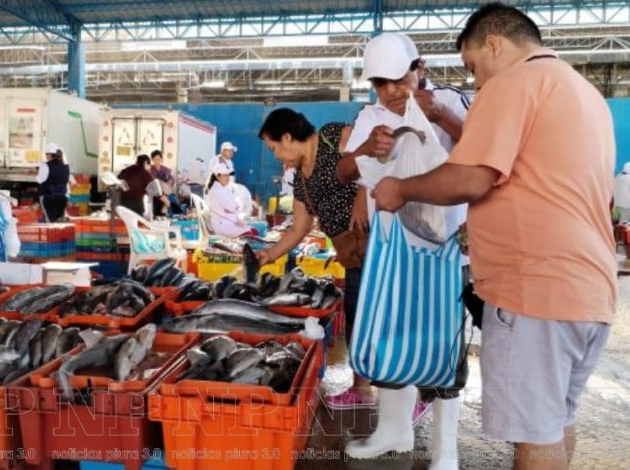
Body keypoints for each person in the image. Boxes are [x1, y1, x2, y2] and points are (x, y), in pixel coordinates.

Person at [371, 4, 616, 469]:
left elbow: (471, 178)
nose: (478, 82)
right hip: (588, 290)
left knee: (534, 438)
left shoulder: (513, 83)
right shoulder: (581, 92)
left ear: (495, 44)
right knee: (555, 424)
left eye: (474, 67)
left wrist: (400, 189)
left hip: (535, 291)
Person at [337, 33, 470, 469]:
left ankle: (444, 452)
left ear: (420, 68)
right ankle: (393, 431)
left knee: (443, 345)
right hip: (392, 249)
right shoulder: (370, 115)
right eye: (380, 83)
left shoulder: (450, 100)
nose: (392, 92)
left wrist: (442, 115)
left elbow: (484, 152)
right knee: (394, 334)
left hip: (447, 248)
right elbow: (341, 171)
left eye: (399, 79)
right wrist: (362, 150)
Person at [254, 108, 369, 407]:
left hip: (378, 238)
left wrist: (363, 197)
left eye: (274, 147)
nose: (277, 155)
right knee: (358, 315)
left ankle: (413, 390)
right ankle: (362, 388)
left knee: (388, 315)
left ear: (288, 137)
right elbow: (299, 228)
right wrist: (267, 255)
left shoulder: (332, 136)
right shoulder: (300, 180)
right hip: (352, 251)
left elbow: (375, 153)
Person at [206, 164, 257, 237]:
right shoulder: (217, 190)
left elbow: (237, 205)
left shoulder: (225, 188)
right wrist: (234, 207)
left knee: (255, 231)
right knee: (250, 234)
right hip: (222, 224)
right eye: (225, 175)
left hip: (230, 222)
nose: (228, 178)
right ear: (217, 176)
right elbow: (232, 207)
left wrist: (234, 207)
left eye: (228, 175)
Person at [36, 143, 70, 222]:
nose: (46, 156)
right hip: (62, 198)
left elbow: (40, 180)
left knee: (50, 222)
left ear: (50, 155)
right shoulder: (66, 166)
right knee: (59, 221)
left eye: (47, 154)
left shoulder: (45, 166)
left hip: (49, 198)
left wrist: (37, 174)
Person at [149, 150, 173, 218]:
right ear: (152, 160)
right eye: (155, 160)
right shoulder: (150, 170)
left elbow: (171, 179)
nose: (157, 161)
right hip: (154, 197)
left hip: (164, 196)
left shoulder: (166, 170)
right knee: (154, 215)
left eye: (159, 159)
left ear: (162, 159)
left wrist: (170, 181)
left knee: (162, 215)